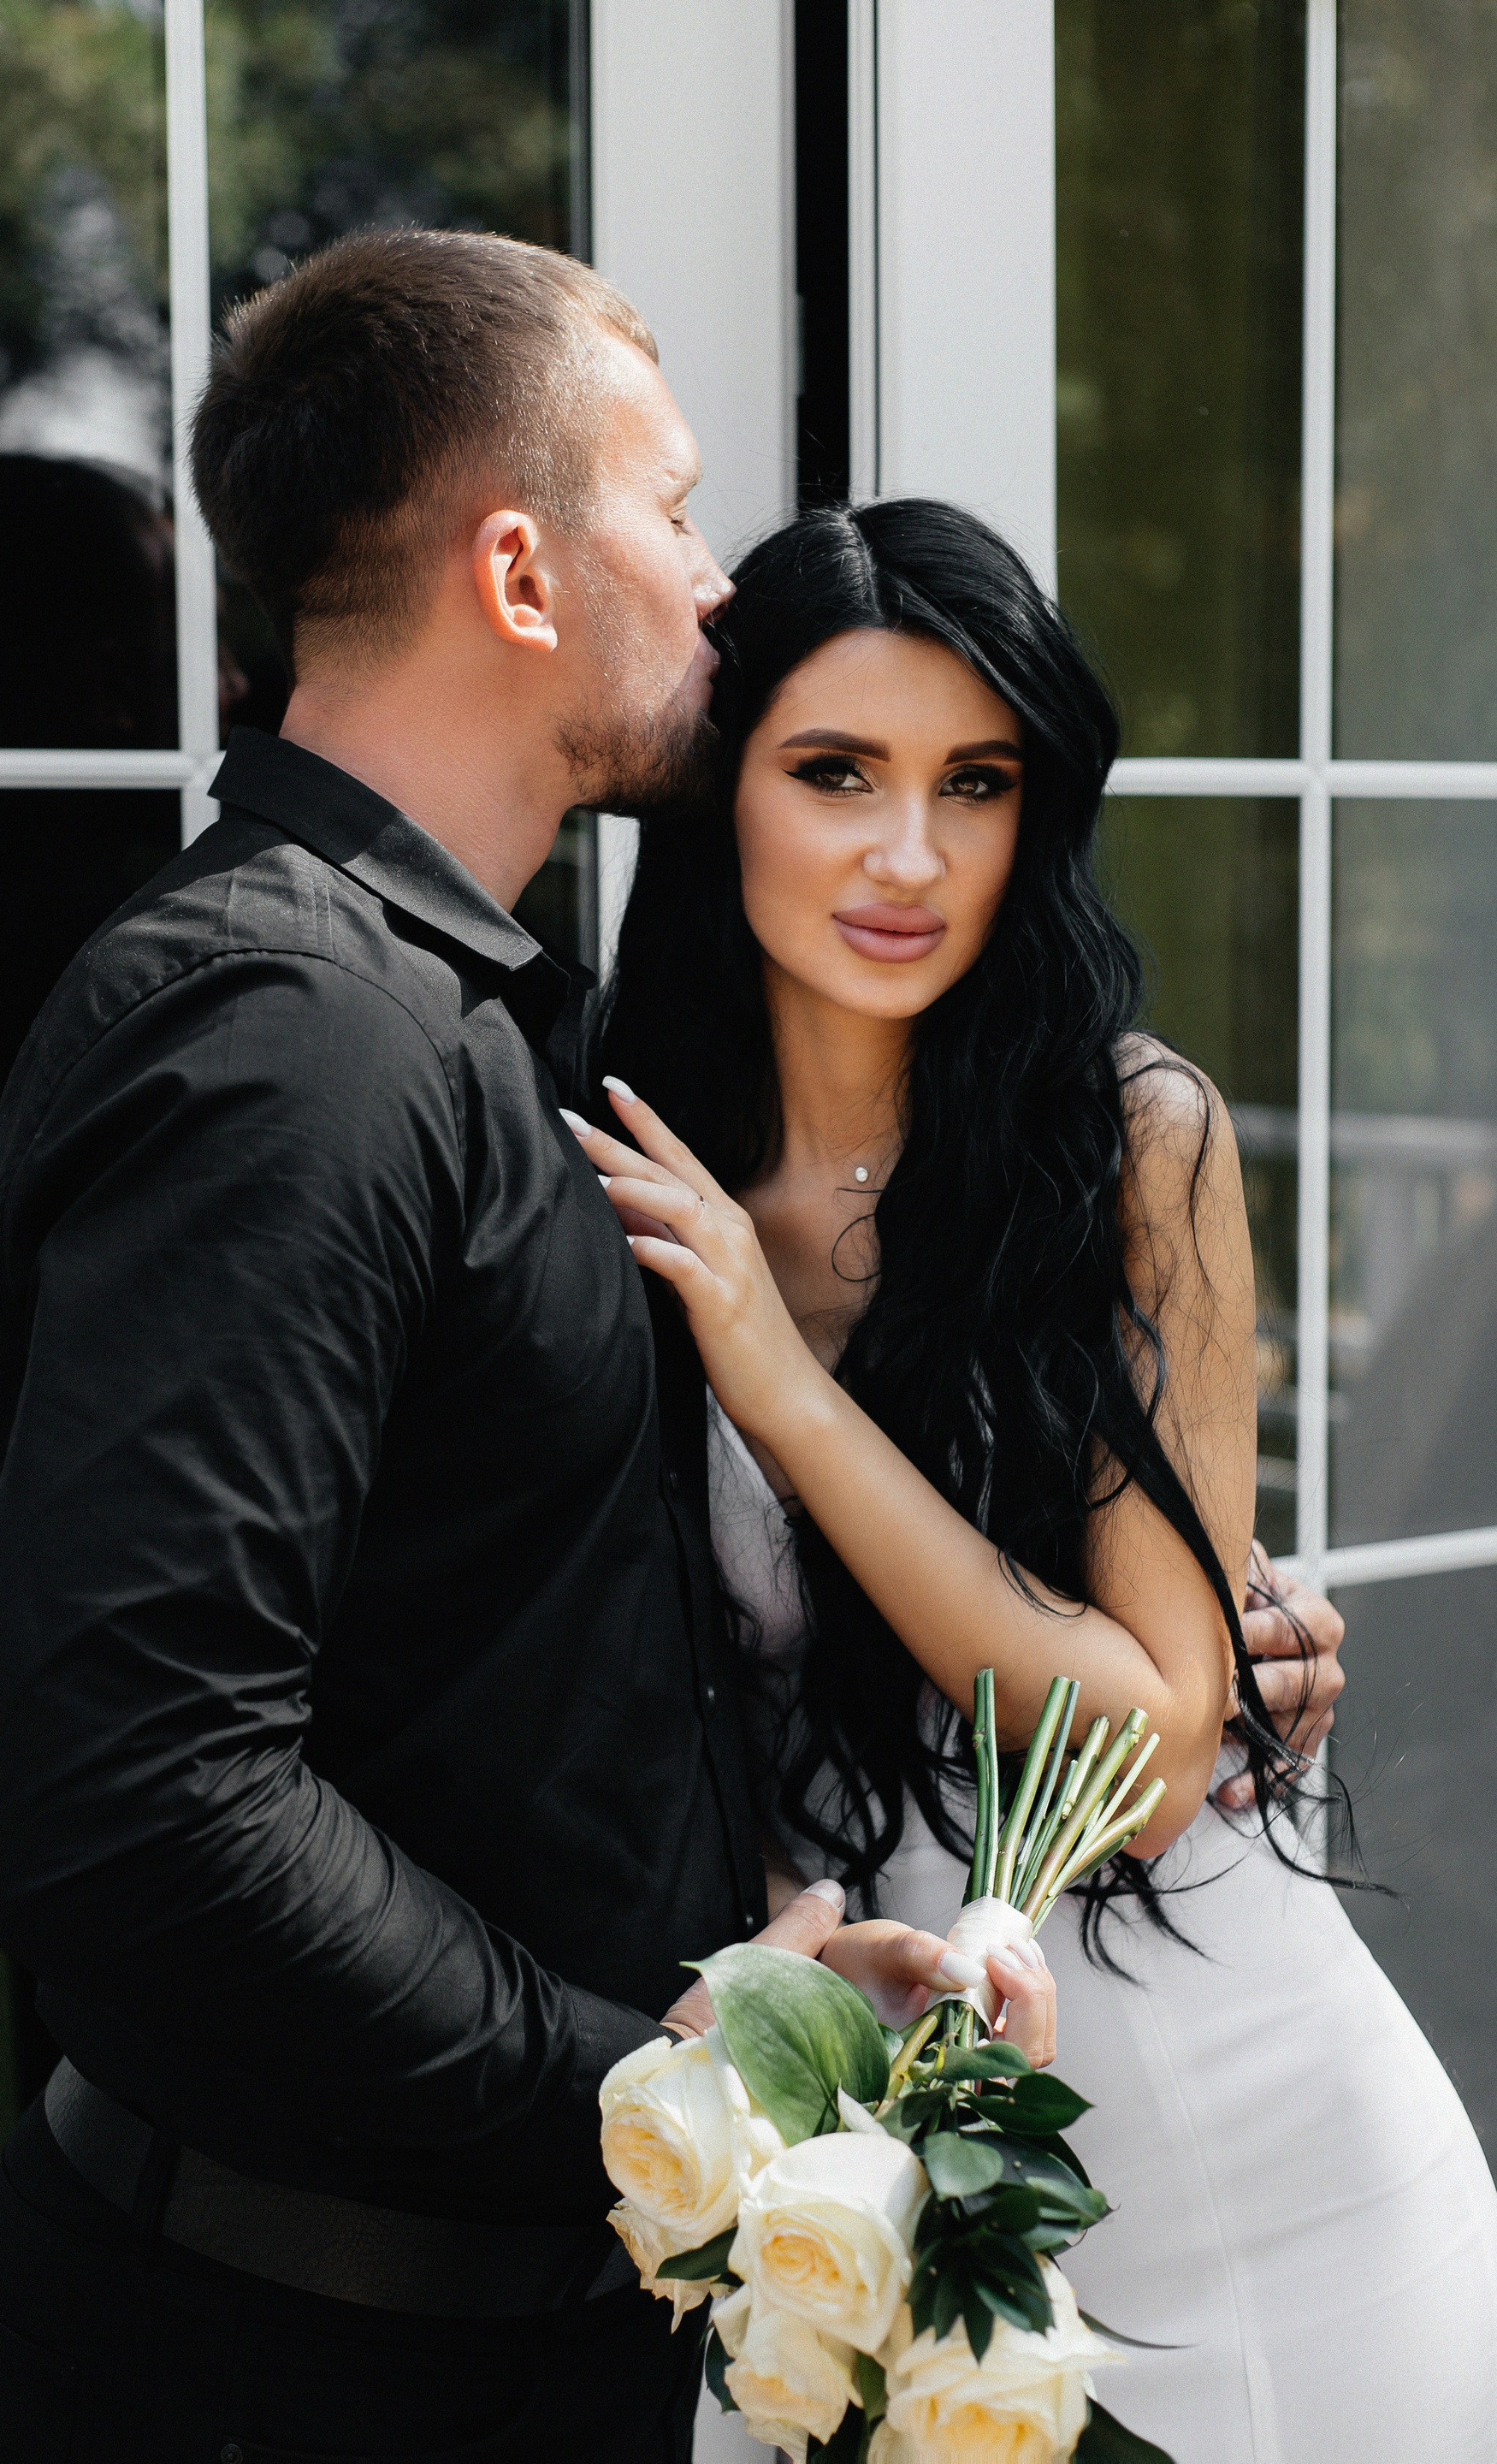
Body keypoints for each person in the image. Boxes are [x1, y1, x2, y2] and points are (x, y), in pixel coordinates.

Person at [0, 238, 1056, 2464]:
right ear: (522, 571)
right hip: (289, 2372)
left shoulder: (465, 1017)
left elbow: (500, 1661)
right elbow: (137, 1793)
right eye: (676, 506)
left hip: (497, 2345)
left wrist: (746, 2003)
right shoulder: (305, 1044)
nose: (716, 581)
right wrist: (640, 2080)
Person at [582, 497, 1497, 2463]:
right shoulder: (606, 1172)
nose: (910, 855)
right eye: (838, 772)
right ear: (723, 788)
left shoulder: (1133, 1141)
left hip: (1273, 2167)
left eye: (975, 783)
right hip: (874, 2183)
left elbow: (1150, 1756)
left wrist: (787, 1389)